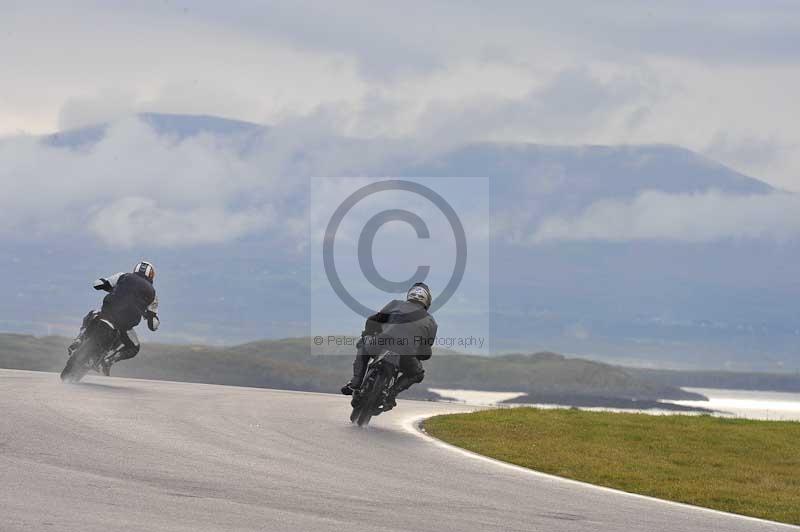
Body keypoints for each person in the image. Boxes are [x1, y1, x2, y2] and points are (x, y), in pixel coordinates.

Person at [341, 282, 437, 411]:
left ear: (410, 295)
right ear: (427, 301)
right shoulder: (431, 322)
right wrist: (417, 353)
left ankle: (355, 383)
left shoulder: (396, 304)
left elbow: (374, 320)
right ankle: (391, 394)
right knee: (417, 374)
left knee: (363, 345)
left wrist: (368, 334)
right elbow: (426, 351)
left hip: (381, 344)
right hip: (406, 354)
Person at [69, 261, 160, 376]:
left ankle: (79, 339)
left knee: (92, 313)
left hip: (107, 314)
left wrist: (103, 283)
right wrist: (152, 317)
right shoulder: (153, 294)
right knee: (134, 347)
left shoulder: (123, 276)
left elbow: (98, 284)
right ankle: (108, 360)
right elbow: (153, 325)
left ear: (135, 269)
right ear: (152, 275)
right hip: (124, 326)